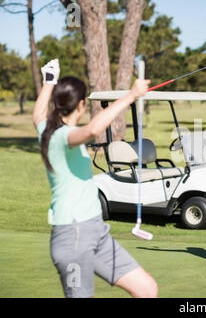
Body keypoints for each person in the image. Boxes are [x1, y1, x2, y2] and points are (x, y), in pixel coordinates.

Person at [32, 59, 158, 298]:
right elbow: (91, 130)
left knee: (147, 289)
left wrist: (49, 80)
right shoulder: (60, 136)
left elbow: (37, 113)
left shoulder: (44, 129)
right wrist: (131, 95)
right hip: (72, 237)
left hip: (96, 231)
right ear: (81, 105)